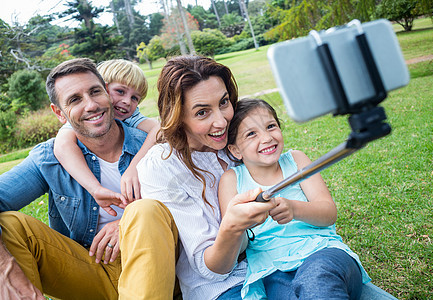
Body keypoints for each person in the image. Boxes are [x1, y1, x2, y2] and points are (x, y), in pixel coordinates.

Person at [0, 58, 179, 300]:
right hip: (91, 268)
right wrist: (5, 269)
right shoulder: (50, 157)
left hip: (156, 266)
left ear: (106, 92)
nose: (91, 105)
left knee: (145, 210)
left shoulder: (152, 146)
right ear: (59, 114)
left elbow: (193, 205)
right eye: (75, 100)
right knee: (10, 226)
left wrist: (126, 225)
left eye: (95, 92)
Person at [137, 55, 276, 300]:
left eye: (224, 102)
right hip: (223, 288)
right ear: (178, 116)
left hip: (279, 263)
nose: (221, 121)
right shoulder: (162, 166)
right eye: (202, 112)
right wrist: (232, 226)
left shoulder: (239, 138)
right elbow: (210, 270)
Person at [218, 98, 370, 299]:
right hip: (272, 271)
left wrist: (295, 209)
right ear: (235, 150)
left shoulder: (296, 160)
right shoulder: (231, 180)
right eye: (251, 134)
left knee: (316, 281)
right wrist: (243, 223)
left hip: (322, 253)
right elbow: (238, 244)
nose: (266, 138)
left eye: (271, 126)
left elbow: (328, 213)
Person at [54, 59, 160, 216]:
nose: (127, 102)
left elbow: (161, 128)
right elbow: (62, 145)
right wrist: (94, 188)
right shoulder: (79, 124)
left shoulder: (130, 117)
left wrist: (134, 167)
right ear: (102, 88)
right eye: (120, 92)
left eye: (135, 98)